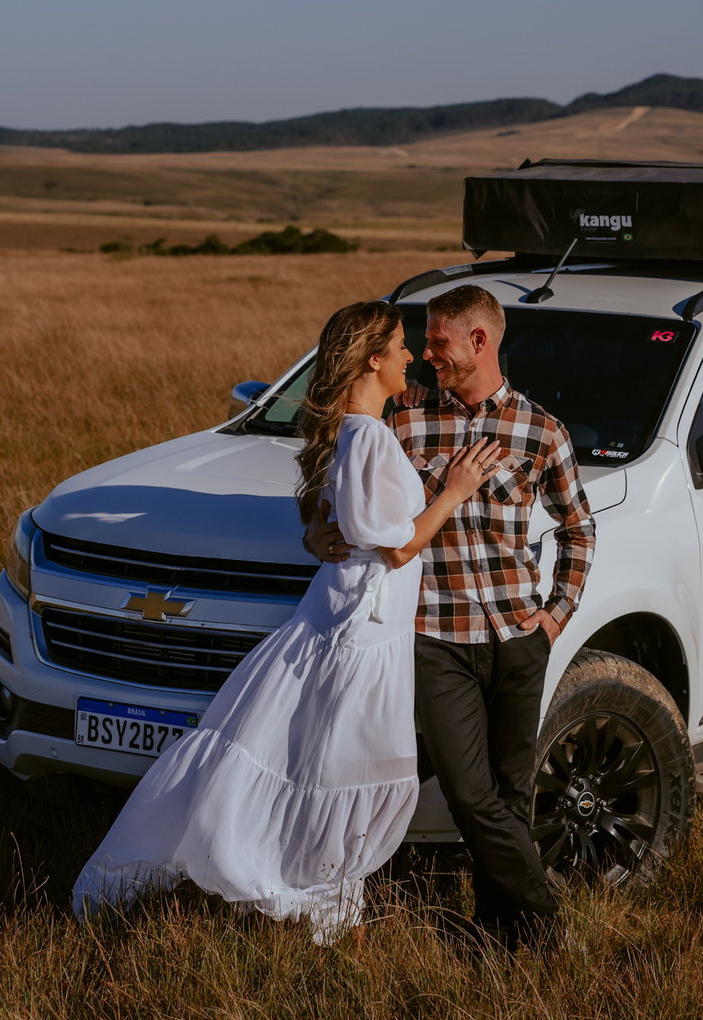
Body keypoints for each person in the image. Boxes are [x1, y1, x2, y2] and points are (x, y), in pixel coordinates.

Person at [72, 300, 499, 943]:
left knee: (319, 763)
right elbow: (398, 545)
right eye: (403, 345)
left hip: (354, 619)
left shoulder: (356, 435)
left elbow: (343, 523)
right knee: (332, 765)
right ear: (373, 359)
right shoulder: (369, 436)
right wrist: (455, 491)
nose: (412, 356)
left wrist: (319, 534)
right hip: (360, 629)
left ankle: (321, 895)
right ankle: (297, 885)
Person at [306, 284, 596, 951]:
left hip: (520, 637)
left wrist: (553, 619)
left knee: (509, 795)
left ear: (479, 341)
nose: (426, 351)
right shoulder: (401, 419)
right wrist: (313, 535)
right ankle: (551, 929)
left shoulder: (540, 430)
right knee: (471, 795)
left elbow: (578, 529)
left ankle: (500, 932)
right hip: (436, 639)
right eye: (423, 340)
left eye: (437, 340)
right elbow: (335, 492)